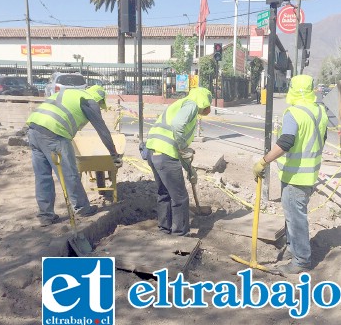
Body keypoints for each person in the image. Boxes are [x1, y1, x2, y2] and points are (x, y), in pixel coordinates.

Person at [253, 75, 328, 274]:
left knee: (296, 219)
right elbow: (322, 139)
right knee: (293, 216)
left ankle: (301, 260)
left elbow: (285, 143)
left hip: (295, 176)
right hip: (310, 175)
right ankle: (292, 249)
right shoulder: (320, 110)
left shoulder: (293, 113)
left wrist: (263, 161)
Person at [27, 85, 122, 226]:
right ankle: (82, 208)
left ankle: (46, 215)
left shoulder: (72, 93)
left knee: (42, 176)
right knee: (69, 173)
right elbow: (102, 130)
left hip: (33, 129)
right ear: (99, 98)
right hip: (55, 132)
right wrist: (114, 154)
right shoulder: (89, 100)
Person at [145, 87, 213, 236]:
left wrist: (190, 170)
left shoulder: (182, 104)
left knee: (164, 193)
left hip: (153, 151)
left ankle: (165, 228)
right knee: (180, 197)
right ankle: (180, 234)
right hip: (165, 155)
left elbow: (177, 146)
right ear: (204, 101)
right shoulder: (191, 105)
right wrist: (183, 147)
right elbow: (177, 127)